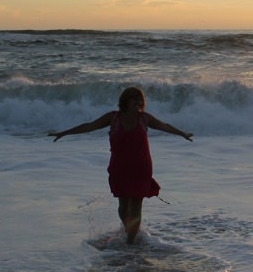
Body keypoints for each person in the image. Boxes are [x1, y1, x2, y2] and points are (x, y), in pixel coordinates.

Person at [49, 87, 193, 243]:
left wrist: (182, 133)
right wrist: (64, 133)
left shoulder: (144, 118)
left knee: (136, 206)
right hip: (120, 168)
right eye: (134, 98)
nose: (137, 102)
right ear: (125, 100)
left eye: (140, 99)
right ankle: (128, 231)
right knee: (123, 207)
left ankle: (130, 243)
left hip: (141, 168)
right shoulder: (113, 118)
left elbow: (164, 126)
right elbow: (89, 126)